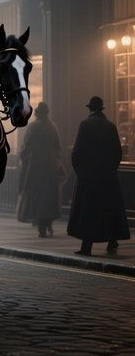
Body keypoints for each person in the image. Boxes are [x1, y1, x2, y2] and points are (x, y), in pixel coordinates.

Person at [67, 96, 130, 256]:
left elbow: (76, 152)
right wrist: (111, 169)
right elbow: (118, 152)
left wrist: (80, 172)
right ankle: (112, 242)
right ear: (101, 109)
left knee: (89, 211)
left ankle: (86, 246)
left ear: (90, 108)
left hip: (89, 176)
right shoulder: (110, 126)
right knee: (109, 210)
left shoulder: (85, 125)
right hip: (107, 176)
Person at [17, 102, 64, 238]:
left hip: (35, 165)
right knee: (49, 195)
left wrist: (22, 156)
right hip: (50, 165)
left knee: (36, 195)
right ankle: (48, 222)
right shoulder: (53, 126)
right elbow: (58, 146)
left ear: (37, 113)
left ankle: (41, 226)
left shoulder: (33, 126)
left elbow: (27, 146)